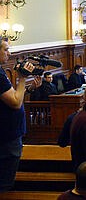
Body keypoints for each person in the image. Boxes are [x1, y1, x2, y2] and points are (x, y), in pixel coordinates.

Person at [0, 40, 35, 192]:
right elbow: (15, 102)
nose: (10, 53)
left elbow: (14, 95)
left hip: (7, 136)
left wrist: (28, 87)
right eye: (6, 49)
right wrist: (22, 78)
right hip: (6, 138)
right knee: (5, 184)